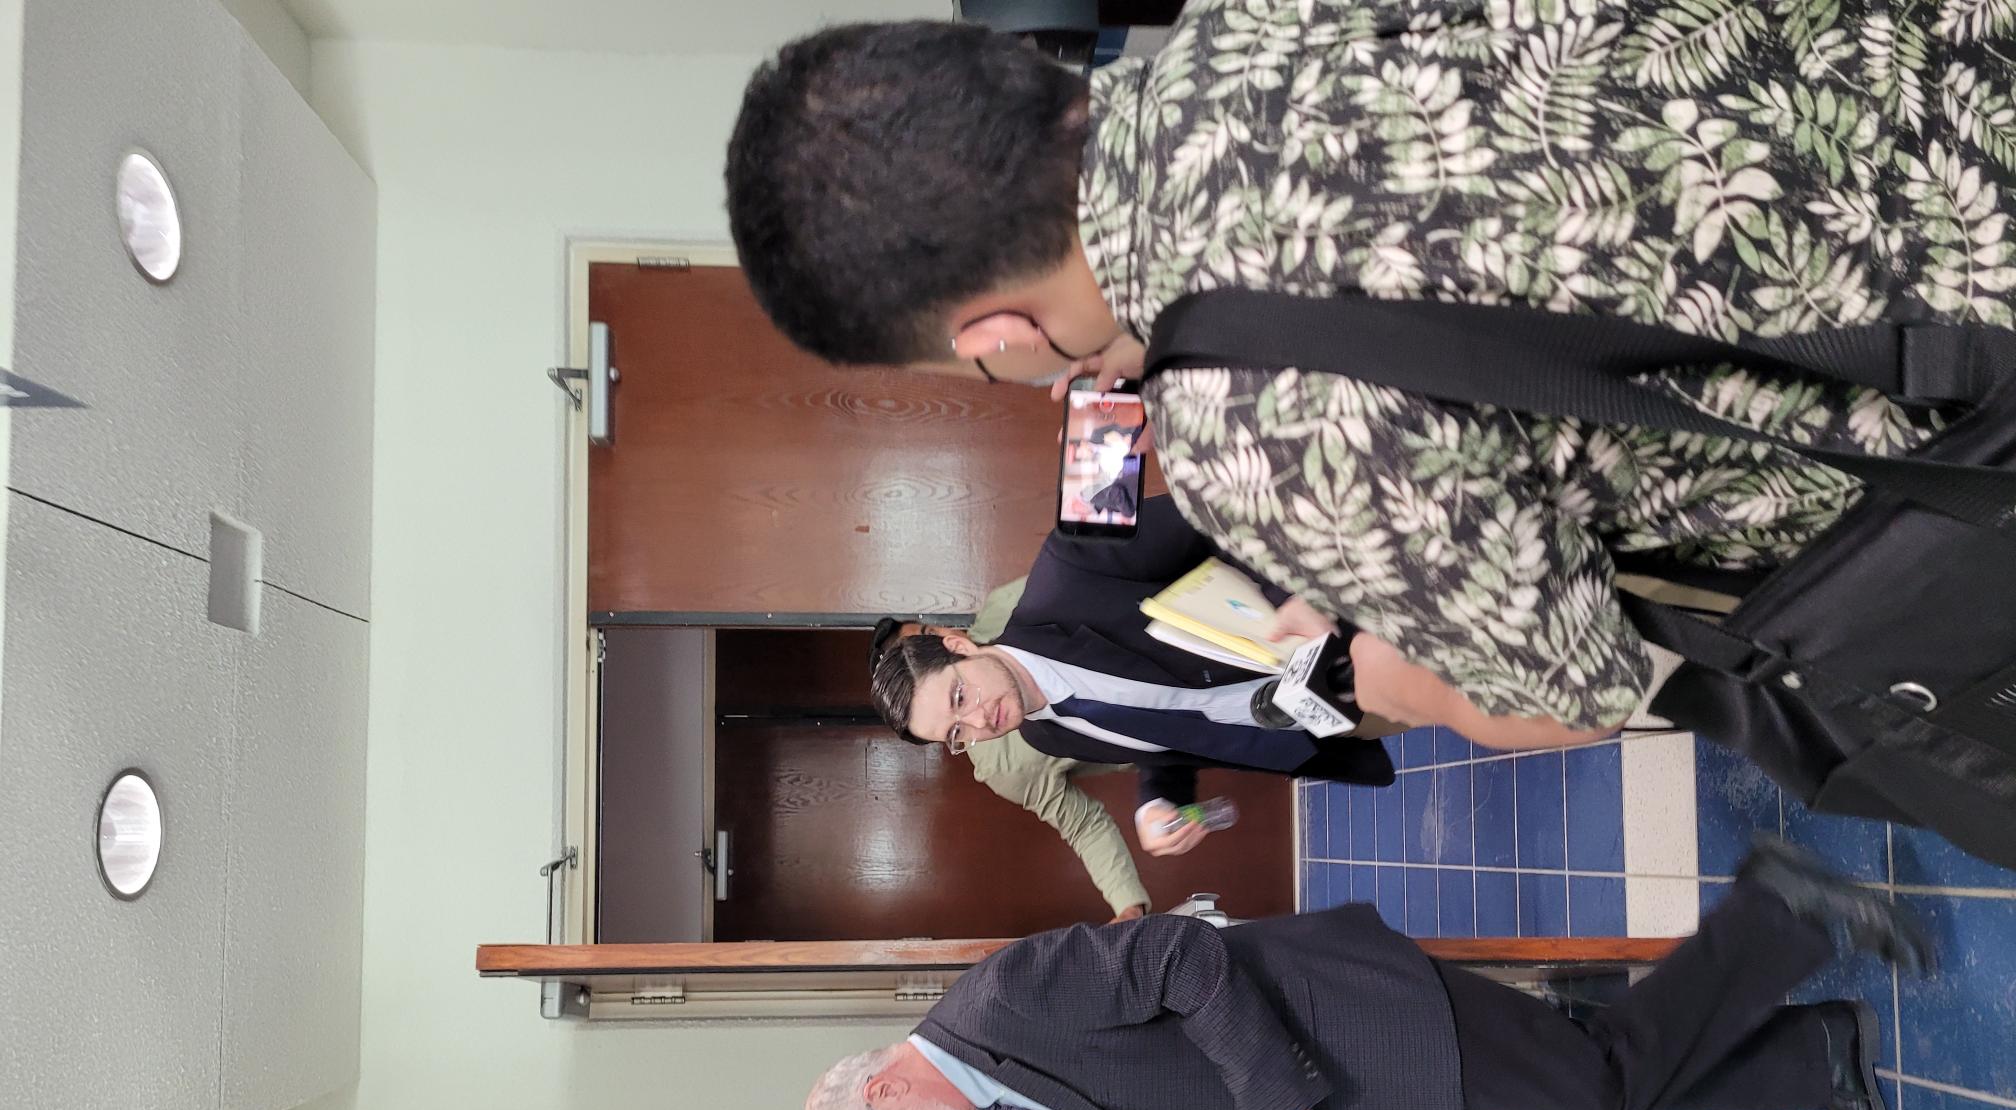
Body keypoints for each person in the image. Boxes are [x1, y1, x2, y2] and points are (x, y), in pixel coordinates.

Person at [725, 3, 2016, 745]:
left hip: (1963, 429)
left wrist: (1404, 679)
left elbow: (1579, 690)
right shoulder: (1260, 14)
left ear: (992, 339)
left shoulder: (1249, 429)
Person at [804, 839, 1930, 1110]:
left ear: (887, 1097)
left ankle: (1782, 910)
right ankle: (1811, 1052)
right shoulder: (988, 1092)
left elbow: (1182, 958)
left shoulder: (999, 1005)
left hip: (1352, 1021)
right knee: (1584, 1072)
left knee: (1599, 1086)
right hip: (1359, 1074)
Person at [869, 494, 1398, 860]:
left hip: (1341, 627)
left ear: (959, 646)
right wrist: (1157, 799)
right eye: (958, 734)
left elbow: (1210, 513)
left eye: (961, 695)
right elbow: (1169, 729)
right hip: (1315, 724)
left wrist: (1292, 598)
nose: (980, 720)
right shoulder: (1043, 731)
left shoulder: (1070, 568)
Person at [871, 582, 1151, 925]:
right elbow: (1083, 824)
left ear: (949, 642)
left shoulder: (1010, 606)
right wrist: (1128, 906)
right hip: (1170, 741)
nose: (978, 717)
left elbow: (1102, 579)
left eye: (928, 633)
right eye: (954, 732)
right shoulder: (999, 765)